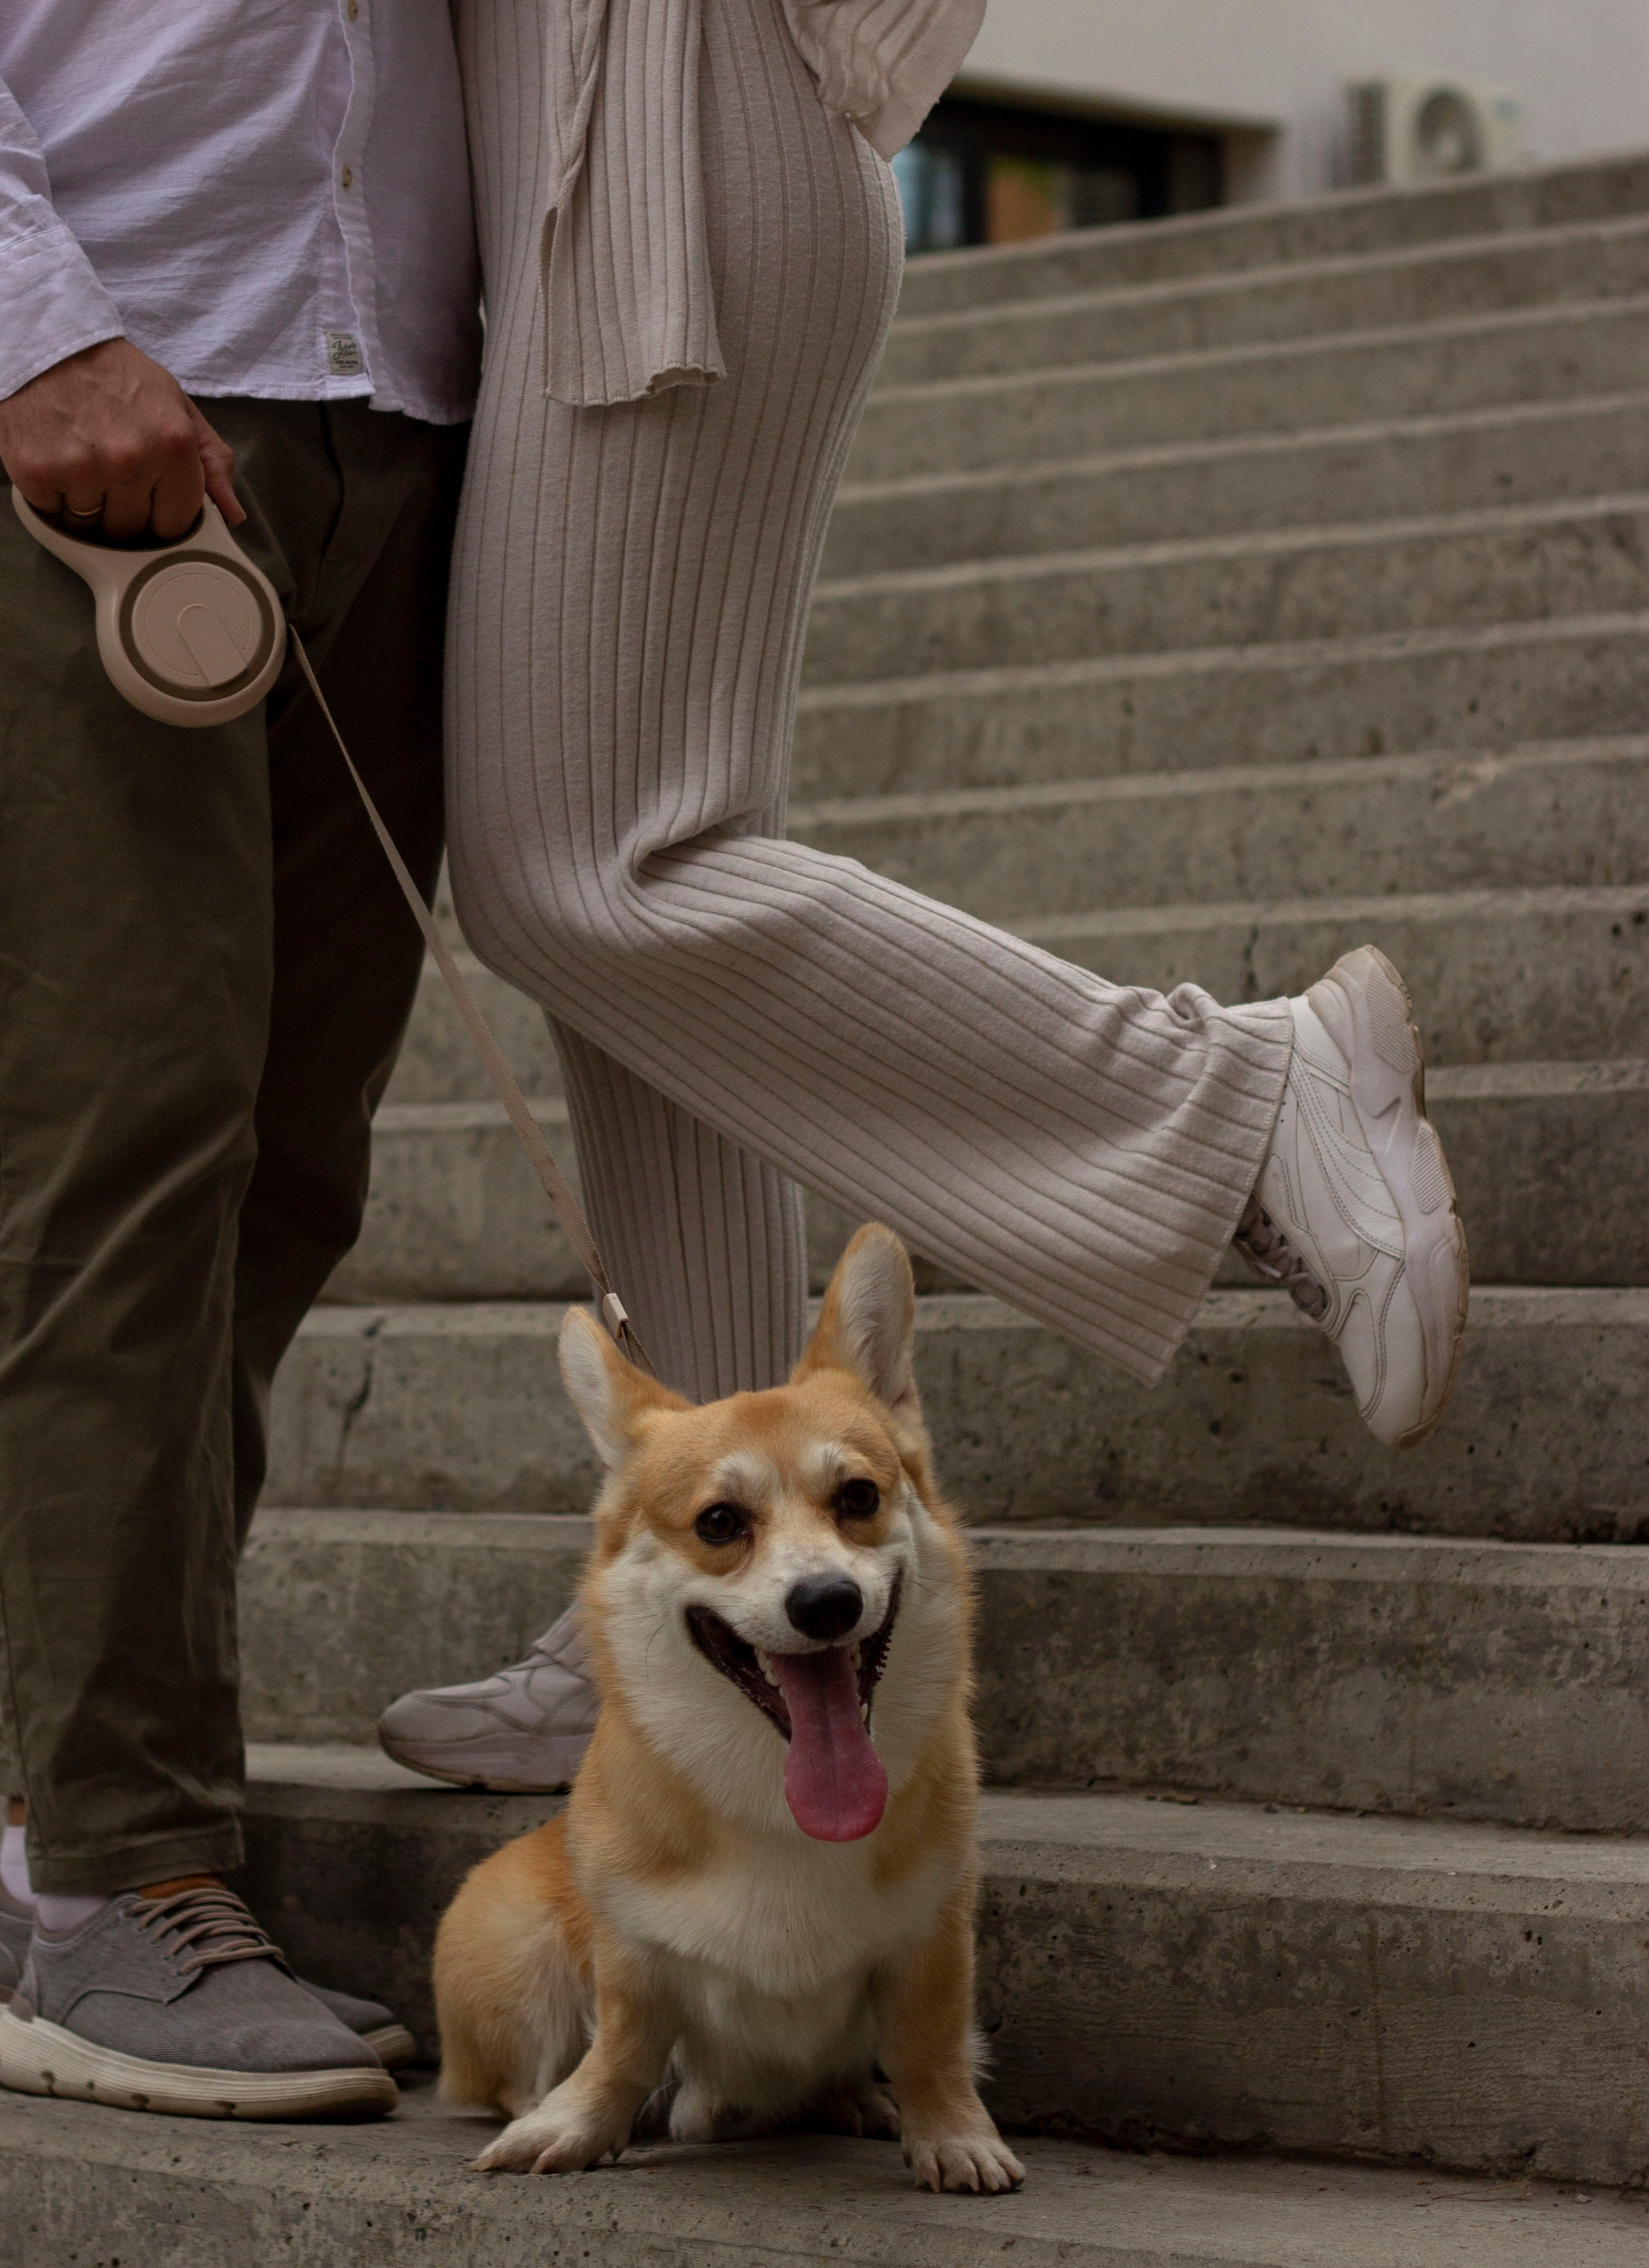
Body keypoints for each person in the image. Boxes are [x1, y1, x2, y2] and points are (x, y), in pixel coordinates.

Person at [375, 0, 1467, 1794]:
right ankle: (702, 1583)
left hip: (650, 118)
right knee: (642, 900)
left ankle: (1233, 1096)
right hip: (599, 145)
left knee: (586, 867)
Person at [0, 0, 478, 2114]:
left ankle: (63, 1851)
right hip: (49, 367)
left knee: (284, 1155)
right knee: (117, 1120)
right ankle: (121, 1873)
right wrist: (33, 319)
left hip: (391, 381)